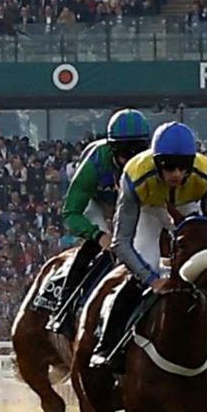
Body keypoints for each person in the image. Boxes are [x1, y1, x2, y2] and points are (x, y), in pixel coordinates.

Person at [90, 122, 207, 377]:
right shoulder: (135, 175)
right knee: (141, 272)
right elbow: (121, 242)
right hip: (148, 210)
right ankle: (108, 347)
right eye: (169, 166)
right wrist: (152, 280)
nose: (176, 174)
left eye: (183, 166)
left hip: (187, 208)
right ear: (156, 163)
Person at [47, 108, 154, 322]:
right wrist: (98, 235)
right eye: (125, 154)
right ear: (113, 150)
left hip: (133, 201)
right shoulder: (95, 164)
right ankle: (64, 307)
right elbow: (71, 212)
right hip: (97, 201)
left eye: (138, 152)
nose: (131, 161)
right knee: (102, 243)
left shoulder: (153, 162)